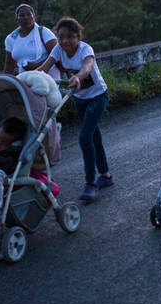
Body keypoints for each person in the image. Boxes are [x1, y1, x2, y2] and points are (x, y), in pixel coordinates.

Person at [37, 17, 112, 202]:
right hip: (79, 99)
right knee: (94, 135)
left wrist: (78, 77)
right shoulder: (58, 49)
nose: (65, 41)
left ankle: (90, 184)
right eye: (61, 37)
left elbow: (87, 67)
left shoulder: (85, 49)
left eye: (70, 37)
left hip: (98, 97)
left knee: (85, 137)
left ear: (78, 37)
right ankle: (106, 175)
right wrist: (28, 78)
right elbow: (44, 68)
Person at [4, 3, 60, 80]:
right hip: (25, 79)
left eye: (29, 14)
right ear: (17, 19)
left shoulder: (44, 32)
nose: (26, 17)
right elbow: (9, 65)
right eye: (22, 15)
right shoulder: (11, 39)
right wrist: (6, 82)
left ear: (34, 17)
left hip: (48, 76)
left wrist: (35, 66)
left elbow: (58, 54)